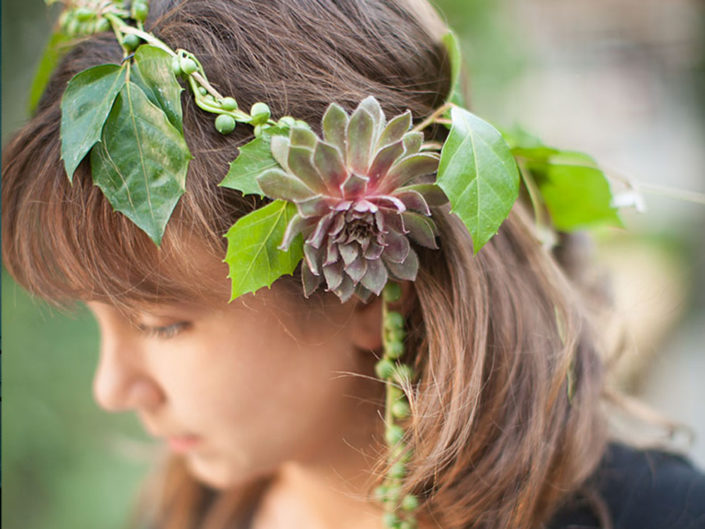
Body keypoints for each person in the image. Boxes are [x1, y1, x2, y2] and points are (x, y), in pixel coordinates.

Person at [2, 1, 704, 528]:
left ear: (371, 283)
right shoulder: (189, 509)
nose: (111, 387)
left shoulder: (654, 513)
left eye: (160, 325)